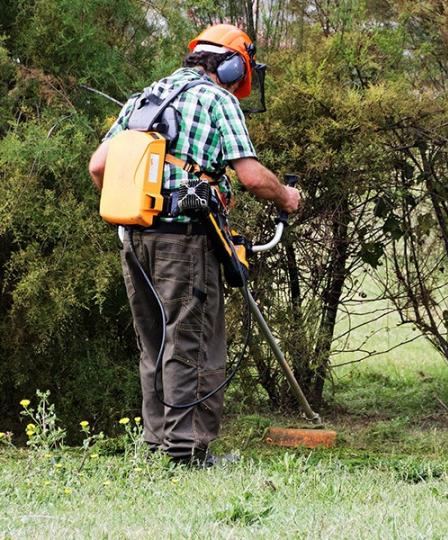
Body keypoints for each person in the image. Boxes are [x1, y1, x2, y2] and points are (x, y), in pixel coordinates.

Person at [89, 24, 300, 466]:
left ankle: (155, 446)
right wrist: (287, 197)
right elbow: (251, 176)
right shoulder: (216, 100)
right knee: (191, 344)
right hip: (183, 241)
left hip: (135, 237)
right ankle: (186, 453)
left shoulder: (145, 97)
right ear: (229, 65)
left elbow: (98, 166)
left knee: (155, 345)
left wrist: (142, 205)